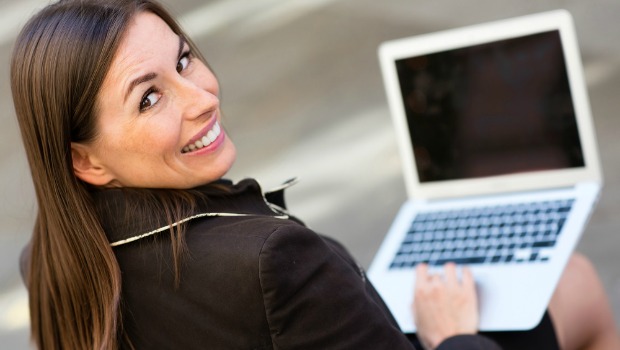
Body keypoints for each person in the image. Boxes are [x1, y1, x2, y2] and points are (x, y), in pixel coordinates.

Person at [10, 0, 619, 349]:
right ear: (85, 159)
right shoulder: (276, 261)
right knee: (580, 285)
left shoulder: (54, 259)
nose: (200, 97)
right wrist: (451, 335)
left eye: (184, 59)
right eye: (149, 99)